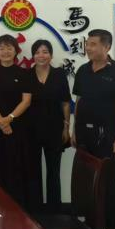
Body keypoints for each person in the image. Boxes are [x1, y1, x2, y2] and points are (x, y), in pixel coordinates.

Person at [71, 29, 115, 229]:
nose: (88, 48)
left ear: (106, 47)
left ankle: (113, 228)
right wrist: (74, 130)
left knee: (108, 181)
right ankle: (91, 224)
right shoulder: (83, 71)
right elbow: (79, 101)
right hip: (84, 133)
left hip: (109, 135)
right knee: (87, 180)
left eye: (93, 44)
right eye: (87, 44)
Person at [0, 34, 38, 212]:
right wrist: (1, 121)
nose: (5, 52)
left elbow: (26, 101)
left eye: (9, 48)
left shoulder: (24, 74)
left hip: (18, 129)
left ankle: (18, 210)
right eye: (1, 48)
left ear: (16, 51)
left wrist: (9, 119)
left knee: (17, 167)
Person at [28, 39, 72, 213]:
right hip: (31, 130)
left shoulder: (59, 74)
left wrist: (66, 127)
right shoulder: (27, 75)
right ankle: (35, 210)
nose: (41, 55)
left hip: (54, 129)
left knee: (54, 171)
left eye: (45, 51)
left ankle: (55, 211)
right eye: (37, 52)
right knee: (33, 171)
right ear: (33, 56)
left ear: (51, 55)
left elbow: (65, 103)